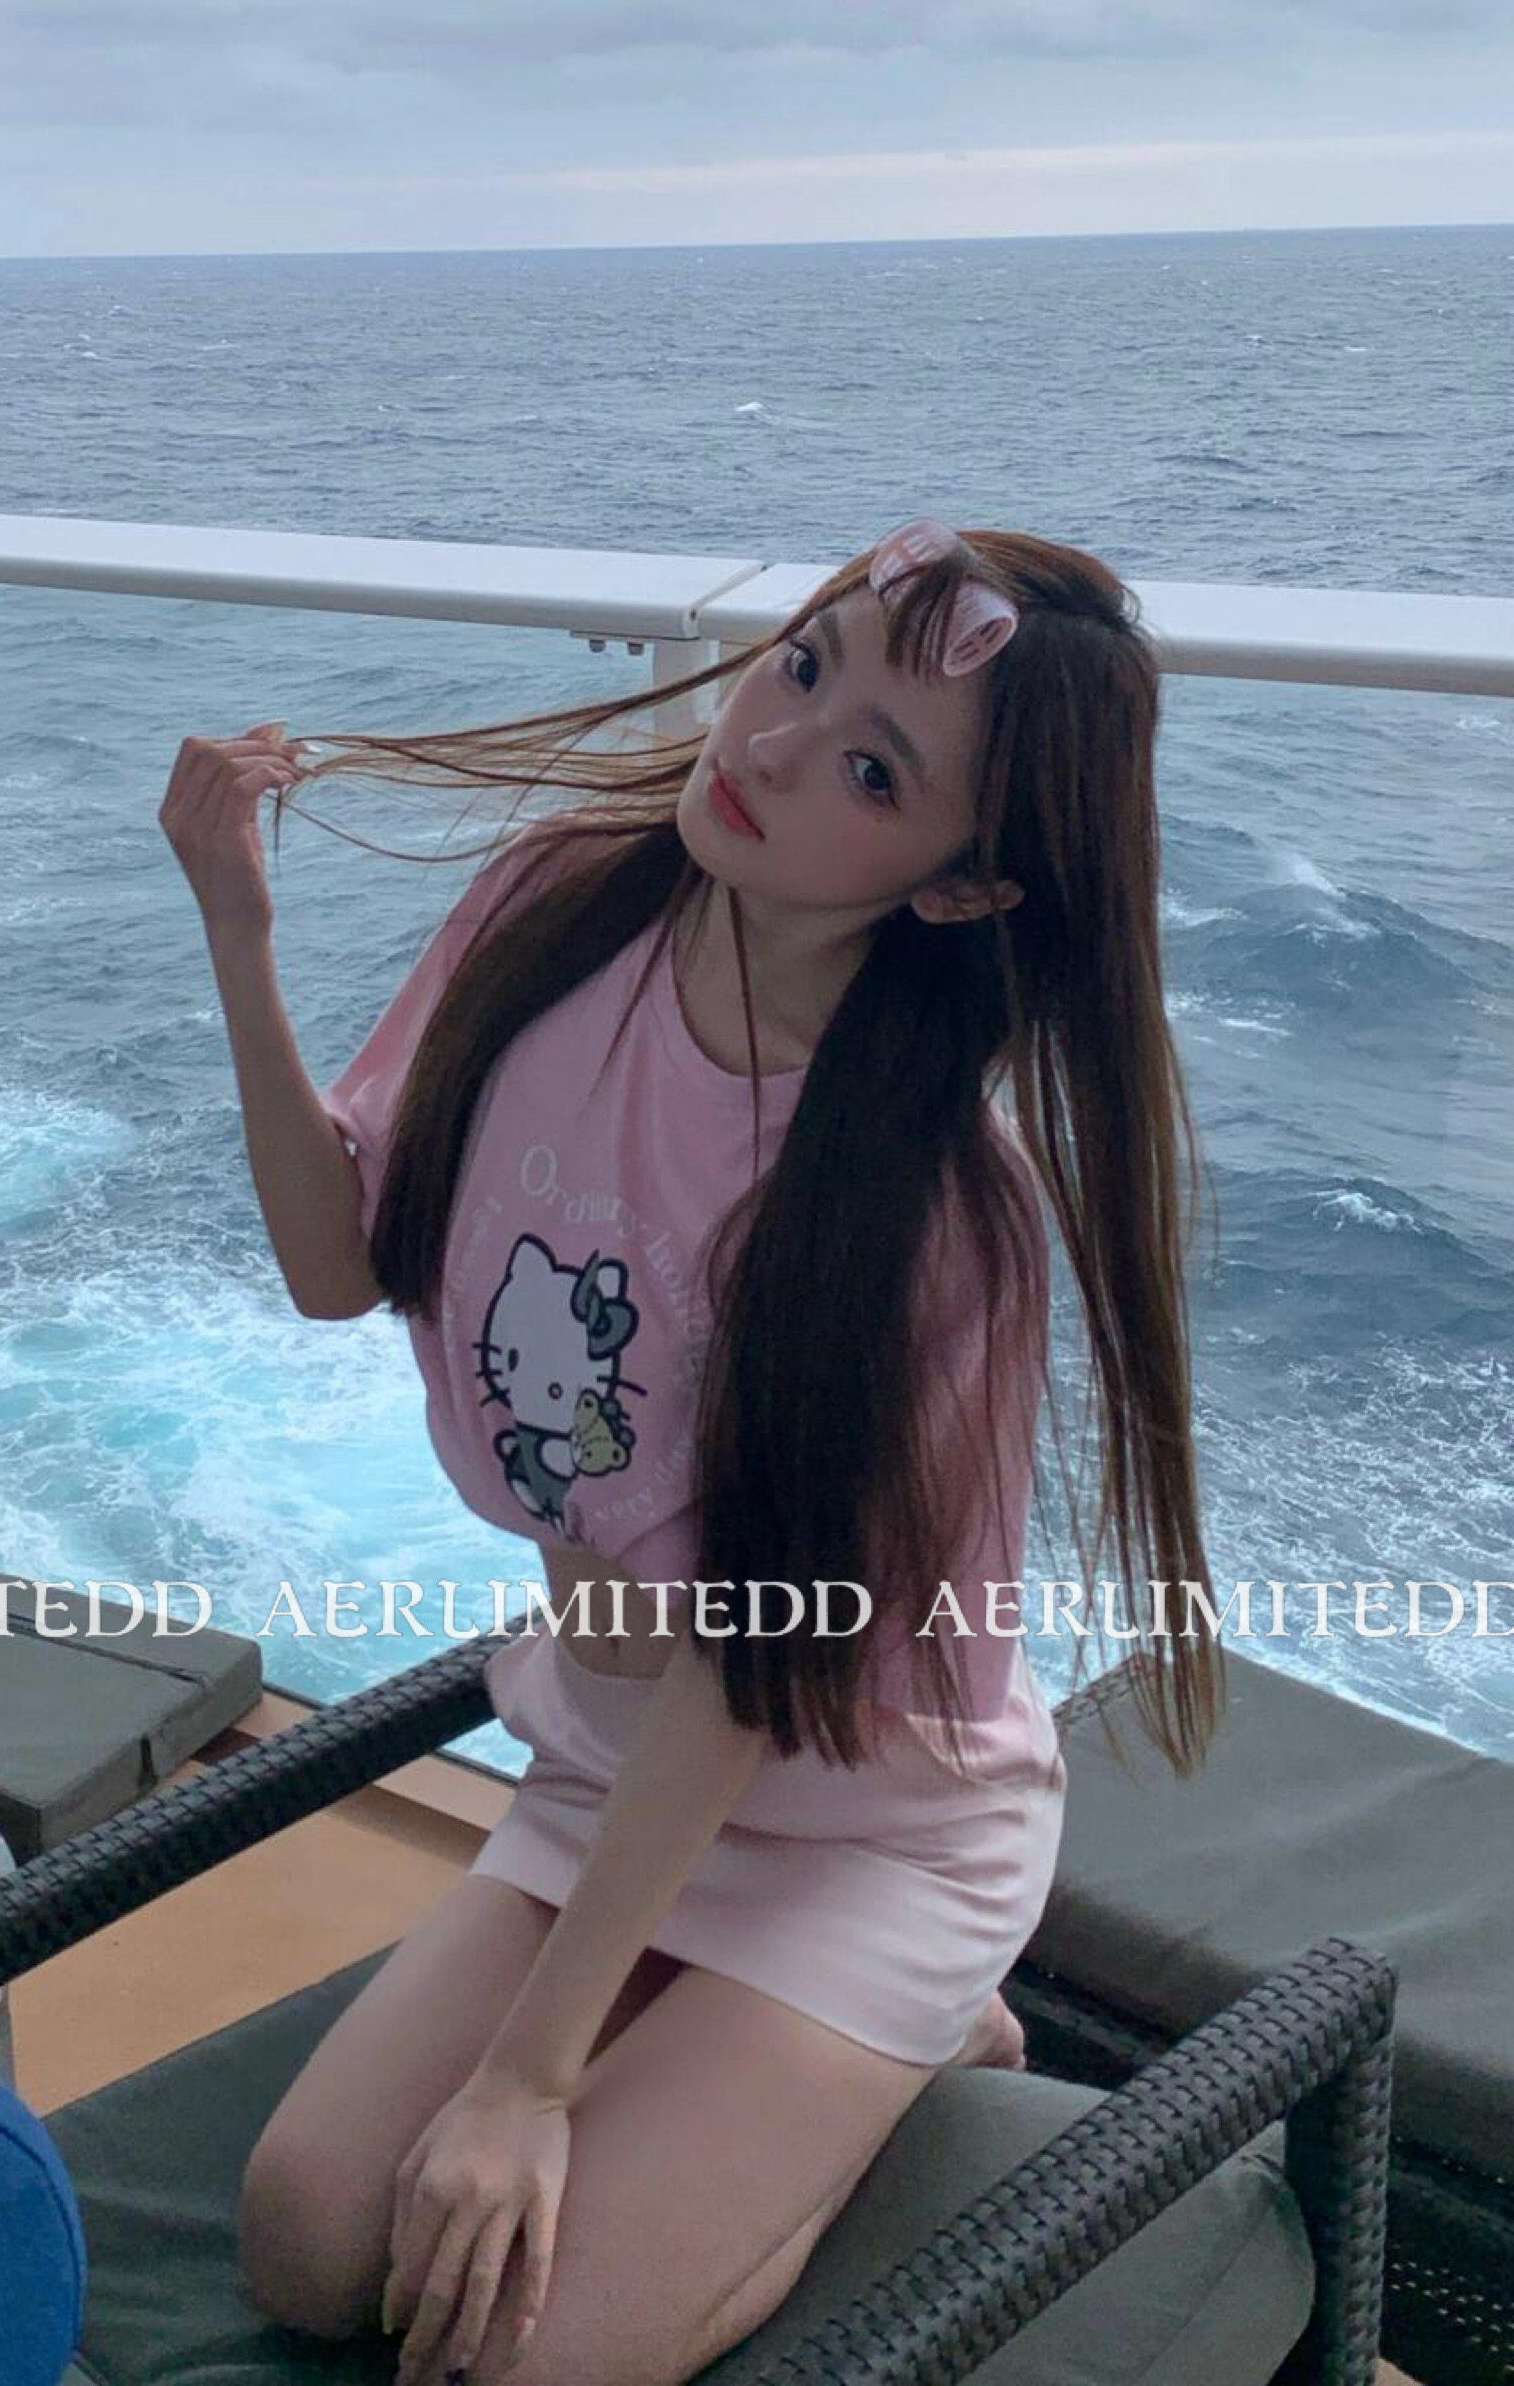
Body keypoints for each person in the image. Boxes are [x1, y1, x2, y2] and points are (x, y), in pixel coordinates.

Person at [159, 514, 1221, 2386]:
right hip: (608, 1762)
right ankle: (745, 2059)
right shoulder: (560, 908)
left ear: (966, 886)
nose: (774, 745)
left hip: (865, 1827)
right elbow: (336, 1270)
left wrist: (527, 2082)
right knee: (310, 2246)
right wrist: (238, 933)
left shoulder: (924, 1213)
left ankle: (917, 2033)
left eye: (875, 772)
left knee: (509, 2351)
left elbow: (752, 1660)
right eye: (804, 666)